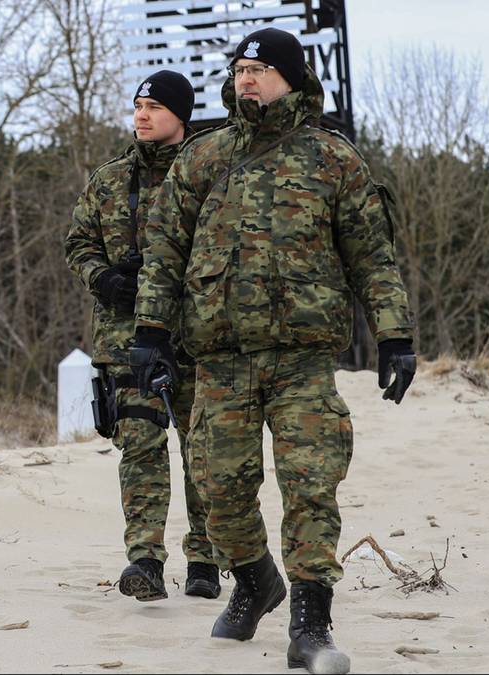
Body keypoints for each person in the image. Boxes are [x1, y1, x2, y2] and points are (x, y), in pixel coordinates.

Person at [128, 28, 417, 674]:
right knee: (220, 486)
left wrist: (395, 335)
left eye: (259, 68)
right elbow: (164, 253)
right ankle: (256, 579)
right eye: (239, 70)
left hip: (301, 359)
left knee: (311, 486)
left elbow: (371, 254)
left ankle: (310, 622)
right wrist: (149, 333)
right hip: (221, 360)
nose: (246, 79)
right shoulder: (203, 160)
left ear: (291, 77)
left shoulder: (332, 159)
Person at [65, 70, 221, 603]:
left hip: (195, 336)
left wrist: (171, 276)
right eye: (137, 105)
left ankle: (204, 558)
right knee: (139, 446)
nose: (142, 115)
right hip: (124, 336)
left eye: (154, 106)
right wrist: (105, 279)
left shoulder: (210, 174)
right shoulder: (108, 180)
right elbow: (79, 243)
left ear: (181, 115)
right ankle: (145, 560)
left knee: (203, 450)